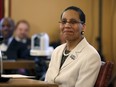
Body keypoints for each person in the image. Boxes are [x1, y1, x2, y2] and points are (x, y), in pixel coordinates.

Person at [45, 6, 101, 87]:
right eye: (64, 21)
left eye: (73, 22)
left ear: (83, 27)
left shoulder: (91, 56)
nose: (67, 25)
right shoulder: (57, 51)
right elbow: (46, 82)